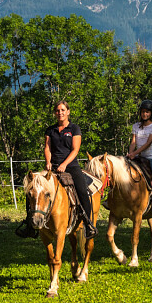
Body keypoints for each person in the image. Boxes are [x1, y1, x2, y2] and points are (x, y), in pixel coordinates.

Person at [44, 101, 96, 239]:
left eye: (62, 110)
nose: (60, 112)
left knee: (83, 192)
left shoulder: (74, 128)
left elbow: (75, 150)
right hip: (53, 166)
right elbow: (47, 148)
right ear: (55, 113)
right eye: (57, 110)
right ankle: (29, 224)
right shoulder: (50, 130)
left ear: (68, 112)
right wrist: (48, 162)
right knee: (35, 188)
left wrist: (65, 164)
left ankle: (88, 224)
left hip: (71, 166)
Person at [126, 99, 152, 217]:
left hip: (151, 156)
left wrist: (135, 153)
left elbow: (148, 143)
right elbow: (133, 142)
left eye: (147, 112)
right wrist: (130, 154)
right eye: (143, 112)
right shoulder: (136, 126)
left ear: (151, 113)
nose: (145, 114)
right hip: (138, 156)